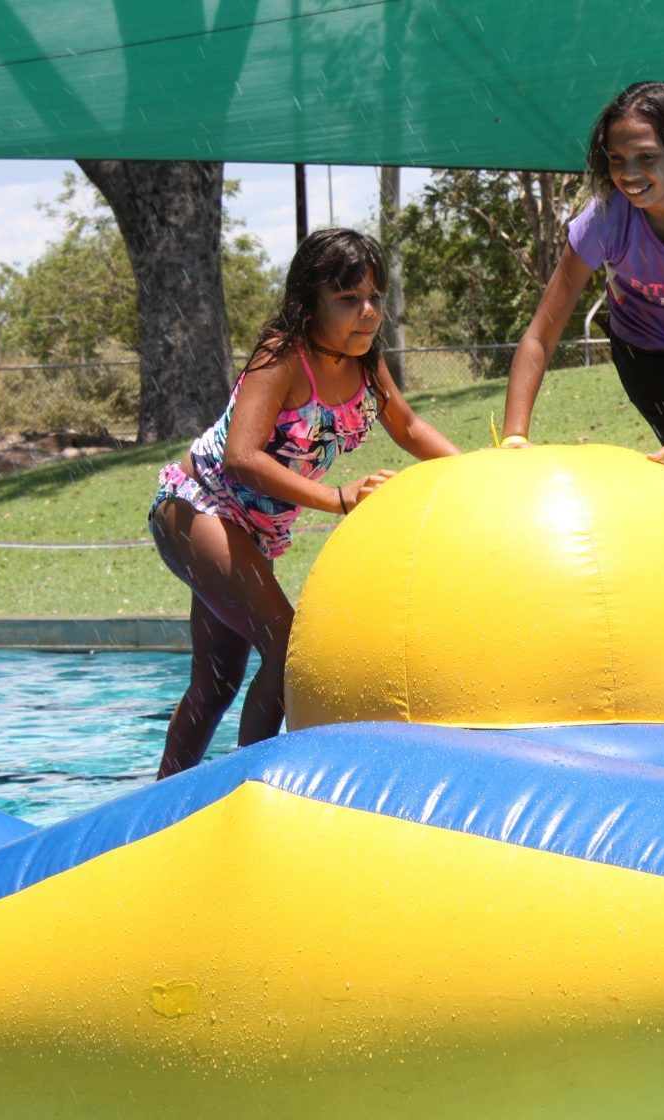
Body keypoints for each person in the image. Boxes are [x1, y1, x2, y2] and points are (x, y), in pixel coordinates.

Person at [147, 228, 460, 778]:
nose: (367, 313)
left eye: (374, 298)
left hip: (251, 532)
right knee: (286, 645)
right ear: (310, 302)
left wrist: (477, 472)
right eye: (347, 299)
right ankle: (249, 789)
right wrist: (338, 498)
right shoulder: (283, 355)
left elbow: (408, 427)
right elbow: (243, 458)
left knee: (216, 683)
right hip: (197, 508)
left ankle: (160, 806)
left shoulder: (365, 361)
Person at [502, 80, 664, 552]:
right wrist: (514, 438)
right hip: (651, 353)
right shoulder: (606, 219)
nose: (629, 173)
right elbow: (540, 336)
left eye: (646, 157)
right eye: (616, 158)